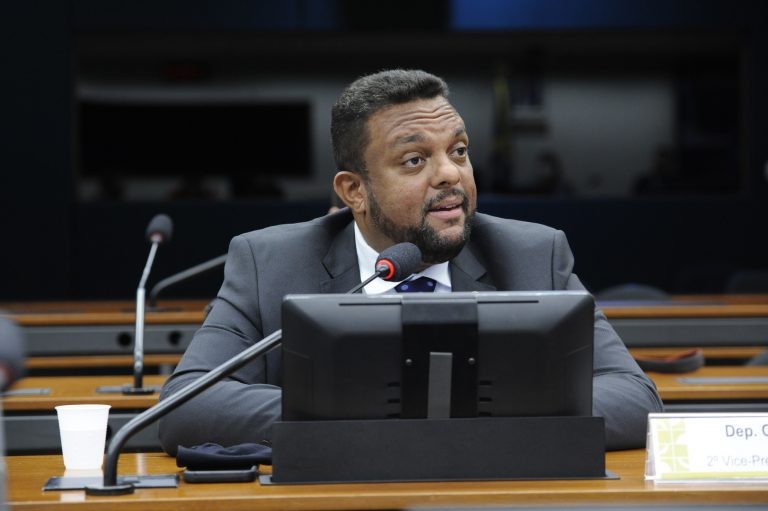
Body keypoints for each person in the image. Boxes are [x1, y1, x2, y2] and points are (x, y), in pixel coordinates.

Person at [158, 69, 663, 454]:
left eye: (458, 151)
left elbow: (635, 399)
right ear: (354, 191)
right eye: (415, 160)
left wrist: (450, 418)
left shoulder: (533, 255)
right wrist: (389, 420)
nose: (450, 174)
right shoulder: (271, 263)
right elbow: (188, 405)